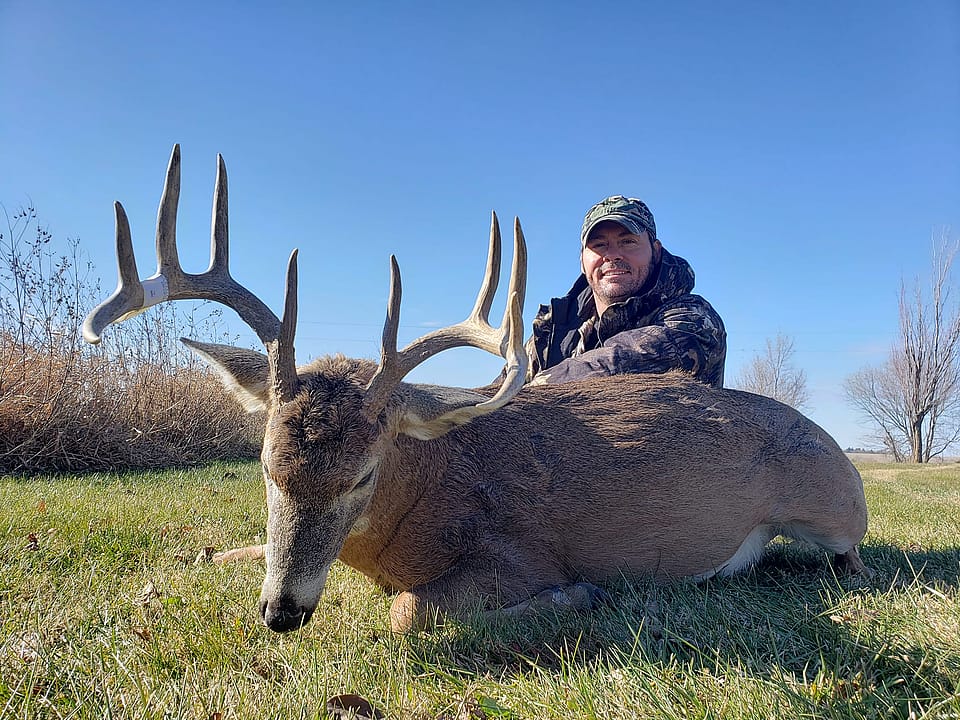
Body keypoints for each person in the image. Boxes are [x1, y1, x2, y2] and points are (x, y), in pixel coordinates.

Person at [526, 195, 726, 387]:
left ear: (656, 251)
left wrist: (538, 386)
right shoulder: (551, 332)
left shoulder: (692, 317)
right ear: (582, 261)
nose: (612, 255)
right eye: (599, 245)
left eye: (628, 241)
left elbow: (631, 359)